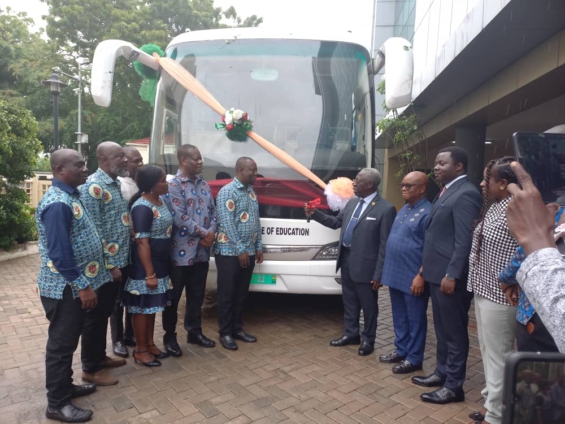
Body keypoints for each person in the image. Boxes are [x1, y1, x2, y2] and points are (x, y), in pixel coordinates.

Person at [36, 149, 111, 423]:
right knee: (61, 345)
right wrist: (83, 286)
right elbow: (60, 254)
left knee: (68, 342)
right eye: (78, 165)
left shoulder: (71, 196)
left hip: (73, 285)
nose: (85, 169)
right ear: (59, 170)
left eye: (84, 164)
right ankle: (57, 404)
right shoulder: (58, 203)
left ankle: (66, 387)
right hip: (64, 288)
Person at [412, 146, 482, 404]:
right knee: (441, 329)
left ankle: (453, 386)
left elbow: (464, 239)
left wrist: (452, 274)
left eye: (442, 163)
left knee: (454, 332)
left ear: (459, 166)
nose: (436, 168)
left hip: (449, 277)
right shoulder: (447, 190)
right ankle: (441, 373)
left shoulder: (466, 193)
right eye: (436, 163)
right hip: (435, 274)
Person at [307, 168, 396, 356]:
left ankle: (368, 340)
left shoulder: (385, 209)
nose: (353, 183)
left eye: (357, 180)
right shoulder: (351, 203)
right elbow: (335, 223)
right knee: (349, 301)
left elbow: (384, 244)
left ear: (370, 184)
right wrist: (315, 213)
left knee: (368, 306)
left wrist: (379, 273)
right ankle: (351, 334)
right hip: (346, 259)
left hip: (367, 266)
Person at [467, 157, 519, 424]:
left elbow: (527, 250)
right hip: (483, 288)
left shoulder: (517, 209)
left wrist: (513, 280)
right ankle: (491, 403)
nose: (481, 184)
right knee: (488, 352)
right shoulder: (497, 205)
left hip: (502, 295)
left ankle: (497, 415)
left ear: (503, 183)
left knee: (499, 355)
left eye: (487, 179)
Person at [78, 141, 131, 385]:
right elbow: (94, 230)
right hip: (103, 267)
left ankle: (100, 357)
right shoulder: (93, 188)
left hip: (119, 261)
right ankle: (90, 369)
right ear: (104, 159)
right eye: (120, 156)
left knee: (105, 313)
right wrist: (111, 265)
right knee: (95, 317)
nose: (125, 159)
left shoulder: (114, 183)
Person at [162, 145, 218, 356]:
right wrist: (205, 233)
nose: (200, 162)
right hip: (180, 253)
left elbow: (213, 212)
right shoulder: (174, 185)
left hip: (202, 253)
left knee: (196, 295)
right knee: (173, 298)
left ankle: (194, 332)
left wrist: (211, 232)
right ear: (183, 160)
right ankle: (169, 336)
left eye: (200, 158)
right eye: (195, 159)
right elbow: (179, 217)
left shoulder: (204, 184)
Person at [504, 161, 565, 353]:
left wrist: (506, 279)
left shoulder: (550, 212)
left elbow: (526, 251)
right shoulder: (554, 211)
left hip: (539, 319)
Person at [122, 165, 174, 366]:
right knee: (142, 307)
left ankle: (150, 344)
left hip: (160, 262)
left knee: (152, 306)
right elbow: (142, 242)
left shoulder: (160, 201)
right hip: (145, 266)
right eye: (162, 181)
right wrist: (149, 274)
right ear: (152, 185)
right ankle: (140, 349)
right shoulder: (142, 207)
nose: (166, 183)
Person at [379, 171, 431, 372]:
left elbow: (430, 249)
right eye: (402, 185)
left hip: (413, 276)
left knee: (415, 319)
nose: (403, 188)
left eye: (408, 185)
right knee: (399, 315)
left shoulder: (428, 212)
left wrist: (421, 275)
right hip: (396, 273)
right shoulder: (404, 209)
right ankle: (401, 350)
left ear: (422, 188)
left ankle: (414, 358)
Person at [214, 157, 263, 351]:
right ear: (241, 170)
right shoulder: (227, 191)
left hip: (248, 251)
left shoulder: (251, 191)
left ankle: (237, 329)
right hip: (229, 252)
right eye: (252, 170)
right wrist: (240, 249)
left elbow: (256, 221)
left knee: (241, 294)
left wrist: (258, 246)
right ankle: (225, 333)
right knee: (227, 294)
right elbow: (227, 223)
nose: (256, 173)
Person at [111, 146, 144, 357]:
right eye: (135, 161)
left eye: (141, 160)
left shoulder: (142, 184)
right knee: (117, 299)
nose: (140, 164)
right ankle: (117, 340)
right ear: (125, 162)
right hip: (121, 250)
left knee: (134, 292)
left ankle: (130, 333)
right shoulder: (120, 186)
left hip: (137, 250)